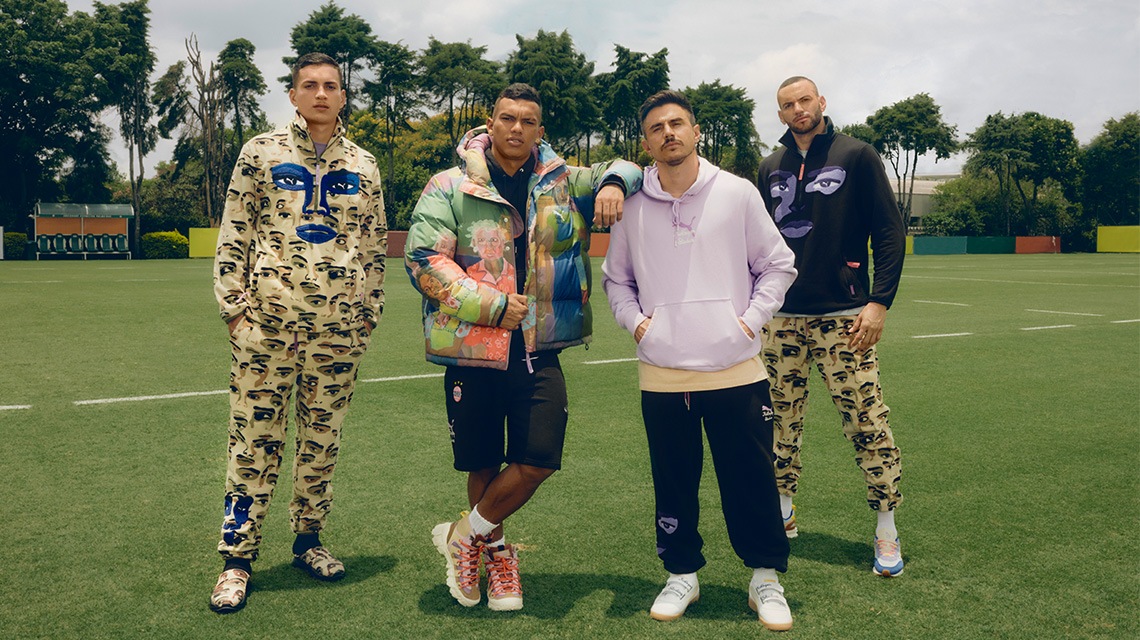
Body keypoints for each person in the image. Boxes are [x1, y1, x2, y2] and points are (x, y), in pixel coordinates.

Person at [405, 83, 642, 611]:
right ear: (490, 122)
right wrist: (490, 306)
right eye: (507, 118)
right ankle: (496, 560)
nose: (516, 128)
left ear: (540, 130)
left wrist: (611, 184)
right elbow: (424, 259)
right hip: (472, 345)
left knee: (539, 458)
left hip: (540, 345)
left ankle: (464, 535)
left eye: (527, 120)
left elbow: (631, 167)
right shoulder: (449, 185)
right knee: (483, 460)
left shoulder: (565, 182)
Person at [603, 90, 798, 631]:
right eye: (657, 128)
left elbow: (778, 264)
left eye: (677, 124)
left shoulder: (736, 192)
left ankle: (765, 578)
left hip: (736, 367)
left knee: (750, 479)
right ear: (646, 144)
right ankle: (681, 573)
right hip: (663, 372)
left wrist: (747, 322)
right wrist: (639, 325)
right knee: (673, 480)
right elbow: (617, 280)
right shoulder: (631, 206)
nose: (668, 133)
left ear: (695, 132)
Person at [208, 52, 386, 613]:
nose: (321, 94)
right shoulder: (260, 153)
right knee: (253, 443)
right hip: (267, 331)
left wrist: (367, 315)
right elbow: (234, 232)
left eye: (331, 85)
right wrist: (236, 312)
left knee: (321, 443)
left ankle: (308, 541)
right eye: (310, 85)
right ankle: (237, 559)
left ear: (343, 95)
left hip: (337, 335)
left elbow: (374, 246)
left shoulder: (364, 164)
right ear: (293, 94)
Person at [756, 76, 907, 577]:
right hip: (781, 318)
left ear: (821, 102)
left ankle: (886, 529)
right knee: (777, 422)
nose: (798, 109)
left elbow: (889, 231)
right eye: (788, 104)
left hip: (844, 317)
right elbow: (757, 242)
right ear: (780, 114)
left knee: (866, 420)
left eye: (805, 100)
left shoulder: (857, 155)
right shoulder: (769, 166)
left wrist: (879, 302)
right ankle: (782, 510)